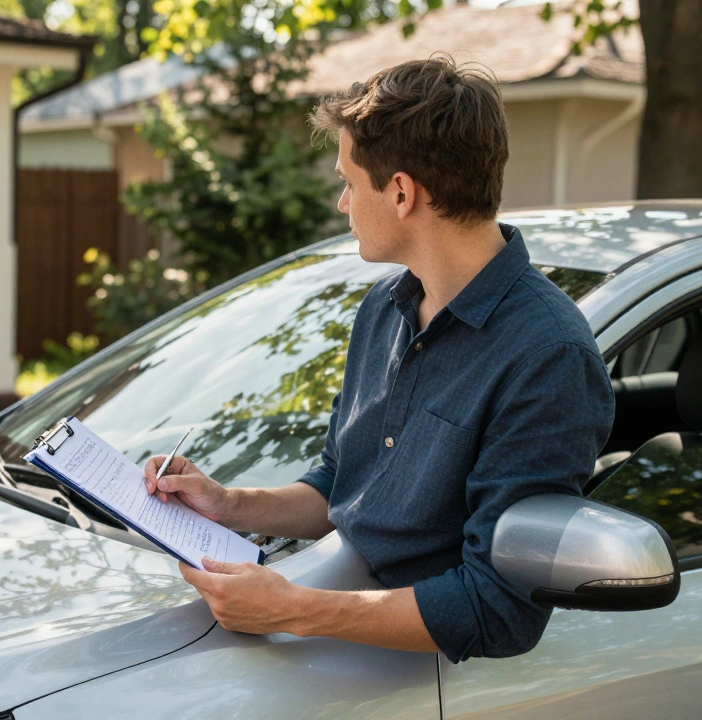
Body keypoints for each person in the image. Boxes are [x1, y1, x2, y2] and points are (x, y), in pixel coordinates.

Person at [142, 57, 615, 662]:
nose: (342, 202)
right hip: (331, 646)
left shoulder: (548, 356)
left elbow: (497, 608)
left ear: (399, 192)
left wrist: (293, 608)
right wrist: (229, 505)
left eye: (347, 180)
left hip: (423, 685)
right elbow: (341, 486)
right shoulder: (384, 308)